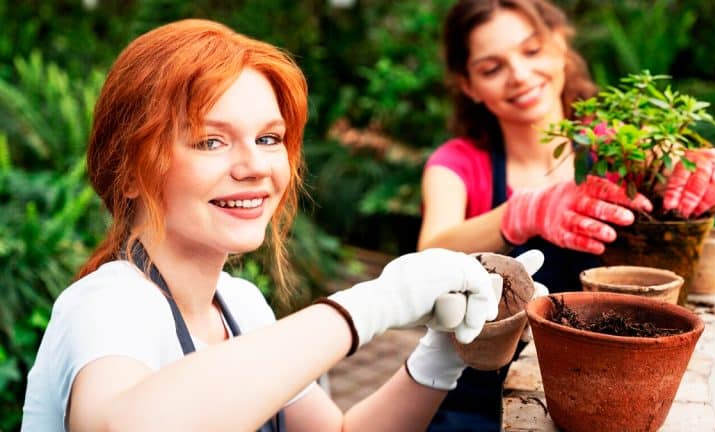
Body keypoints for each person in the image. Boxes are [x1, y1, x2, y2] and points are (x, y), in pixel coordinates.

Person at [21, 19, 547, 432]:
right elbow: (125, 426)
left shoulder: (242, 304)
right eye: (211, 140)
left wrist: (440, 358)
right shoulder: (107, 304)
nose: (255, 166)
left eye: (269, 138)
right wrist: (376, 302)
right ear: (130, 170)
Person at [418, 0, 715, 430]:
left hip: (618, 380)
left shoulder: (621, 144)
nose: (520, 75)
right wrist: (521, 212)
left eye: (531, 51)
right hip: (478, 398)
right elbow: (427, 254)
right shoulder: (458, 163)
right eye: (492, 68)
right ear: (468, 85)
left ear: (561, 44)